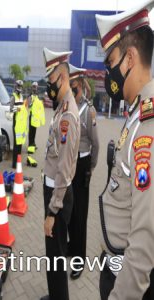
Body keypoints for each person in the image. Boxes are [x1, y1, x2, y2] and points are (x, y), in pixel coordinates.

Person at [95, 1, 154, 299]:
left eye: (111, 62)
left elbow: (145, 239)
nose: (108, 73)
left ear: (130, 58)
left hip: (127, 282)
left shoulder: (148, 125)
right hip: (116, 264)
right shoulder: (135, 113)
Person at [41, 47, 80, 300]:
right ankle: (54, 295)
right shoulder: (60, 108)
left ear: (62, 78)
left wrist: (52, 212)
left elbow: (65, 171)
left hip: (58, 194)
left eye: (51, 80)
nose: (49, 86)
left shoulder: (68, 115)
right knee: (52, 254)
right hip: (53, 189)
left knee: (56, 254)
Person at [67, 64, 99, 280]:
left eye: (74, 86)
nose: (71, 90)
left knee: (80, 215)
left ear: (81, 85)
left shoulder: (89, 110)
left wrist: (91, 167)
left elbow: (96, 144)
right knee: (69, 212)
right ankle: (71, 246)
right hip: (68, 166)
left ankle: (79, 259)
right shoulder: (67, 107)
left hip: (82, 165)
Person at [10, 80, 27, 169]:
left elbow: (23, 108)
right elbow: (11, 109)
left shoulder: (21, 97)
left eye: (21, 86)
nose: (19, 88)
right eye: (18, 86)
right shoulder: (13, 97)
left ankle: (18, 162)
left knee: (20, 143)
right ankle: (14, 164)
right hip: (16, 122)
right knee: (16, 144)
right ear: (15, 86)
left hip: (21, 124)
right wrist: (18, 109)